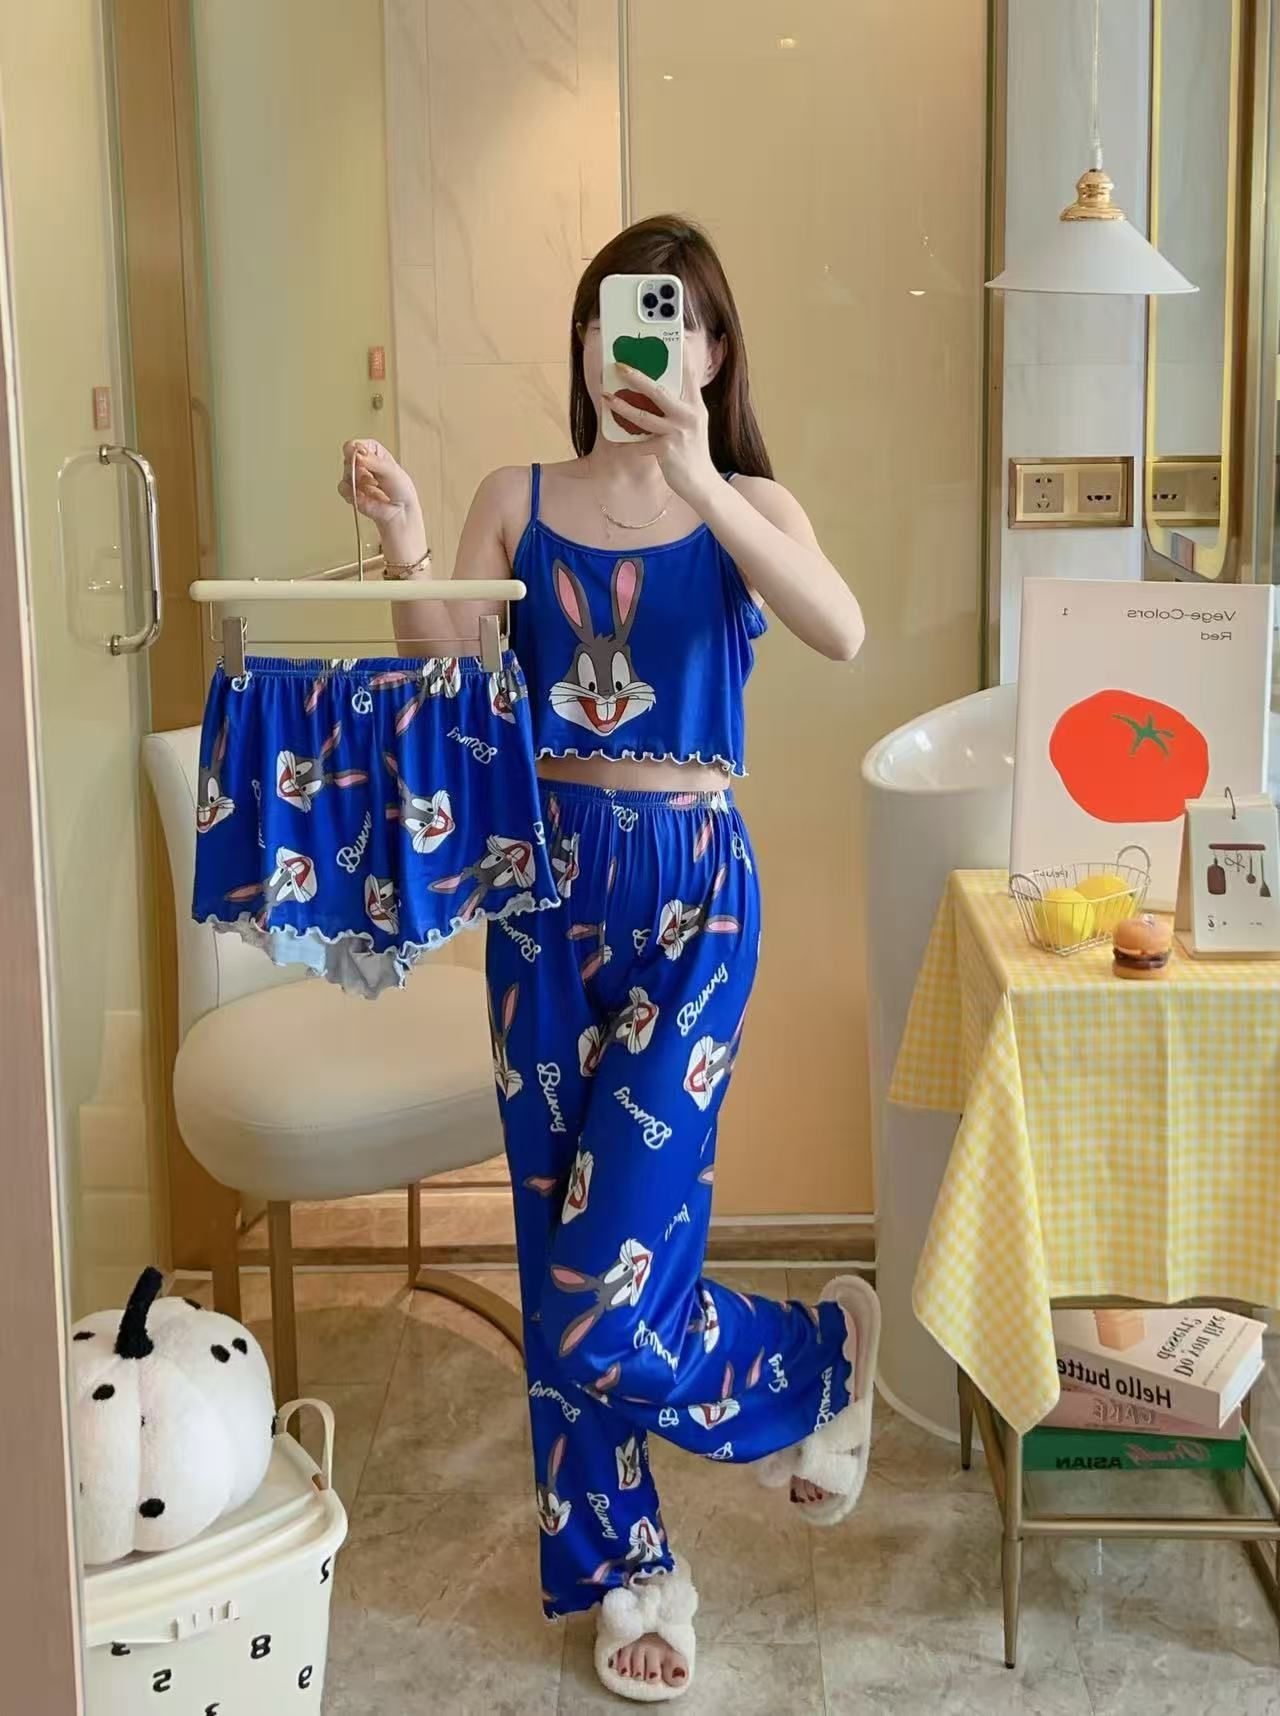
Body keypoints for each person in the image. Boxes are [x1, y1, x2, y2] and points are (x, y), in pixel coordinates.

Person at [340, 214, 880, 1704]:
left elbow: (840, 630)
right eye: (613, 314)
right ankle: (631, 1564)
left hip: (697, 893)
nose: (638, 339)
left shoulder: (746, 500)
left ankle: (815, 1361)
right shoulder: (516, 497)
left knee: (609, 1266)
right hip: (545, 894)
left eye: (674, 317)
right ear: (583, 343)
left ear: (714, 350)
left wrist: (701, 476)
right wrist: (404, 535)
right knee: (553, 1238)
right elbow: (449, 658)